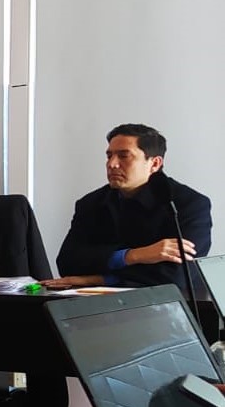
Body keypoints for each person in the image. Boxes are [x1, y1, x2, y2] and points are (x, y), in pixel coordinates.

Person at [46, 123, 212, 291]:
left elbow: (176, 276)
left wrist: (97, 279)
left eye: (124, 156)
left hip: (168, 302)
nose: (112, 164)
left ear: (154, 163)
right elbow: (67, 263)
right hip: (96, 302)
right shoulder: (91, 203)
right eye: (109, 156)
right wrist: (133, 255)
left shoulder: (189, 204)